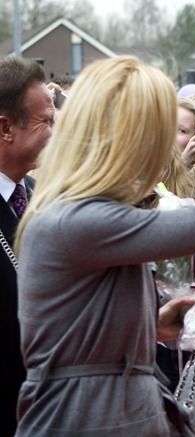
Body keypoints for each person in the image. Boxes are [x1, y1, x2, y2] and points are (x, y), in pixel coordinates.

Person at [13, 42, 195, 436]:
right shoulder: (81, 218)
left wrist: (146, 325)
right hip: (91, 418)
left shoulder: (75, 211)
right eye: (157, 131)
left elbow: (75, 328)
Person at [0, 56, 54, 437]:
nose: (56, 132)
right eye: (45, 122)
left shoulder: (39, 196)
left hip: (40, 410)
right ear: (5, 128)